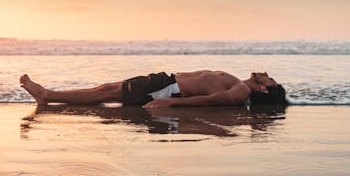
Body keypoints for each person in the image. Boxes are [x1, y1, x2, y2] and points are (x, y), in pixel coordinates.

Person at [20, 70, 287, 108]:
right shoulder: (240, 83)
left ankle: (47, 96)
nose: (267, 75)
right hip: (166, 82)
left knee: (108, 93)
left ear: (264, 90)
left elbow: (208, 100)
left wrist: (170, 103)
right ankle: (50, 95)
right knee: (109, 88)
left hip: (167, 90)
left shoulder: (242, 91)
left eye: (271, 80)